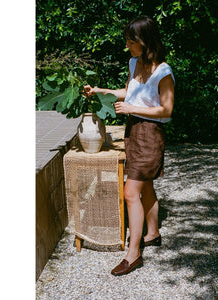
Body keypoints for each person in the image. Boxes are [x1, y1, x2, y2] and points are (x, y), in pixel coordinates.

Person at [83, 15, 175, 276]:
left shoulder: (163, 72)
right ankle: (153, 233)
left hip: (151, 134)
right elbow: (128, 93)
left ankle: (134, 254)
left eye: (130, 42)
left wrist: (132, 109)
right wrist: (99, 90)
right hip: (133, 131)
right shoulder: (134, 62)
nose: (127, 47)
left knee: (130, 192)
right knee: (145, 188)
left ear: (144, 41)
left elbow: (167, 111)